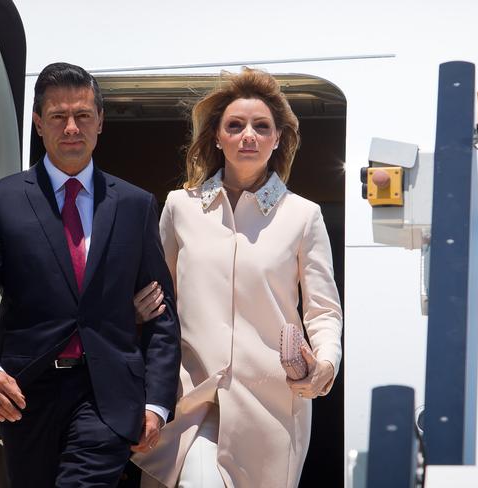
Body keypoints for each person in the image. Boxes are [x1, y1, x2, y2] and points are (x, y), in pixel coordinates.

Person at [0, 62, 181, 488]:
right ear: (38, 124)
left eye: (83, 116)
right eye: (58, 117)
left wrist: (158, 404)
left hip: (107, 394)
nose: (71, 127)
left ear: (100, 122)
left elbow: (163, 316)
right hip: (24, 396)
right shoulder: (0, 203)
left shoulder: (135, 205)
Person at [133, 68, 343, 488]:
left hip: (273, 405)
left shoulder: (303, 216)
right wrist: (135, 314)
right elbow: (160, 299)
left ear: (278, 138)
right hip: (190, 397)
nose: (249, 135)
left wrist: (325, 362)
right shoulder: (179, 208)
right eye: (236, 125)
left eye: (261, 127)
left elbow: (323, 310)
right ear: (217, 136)